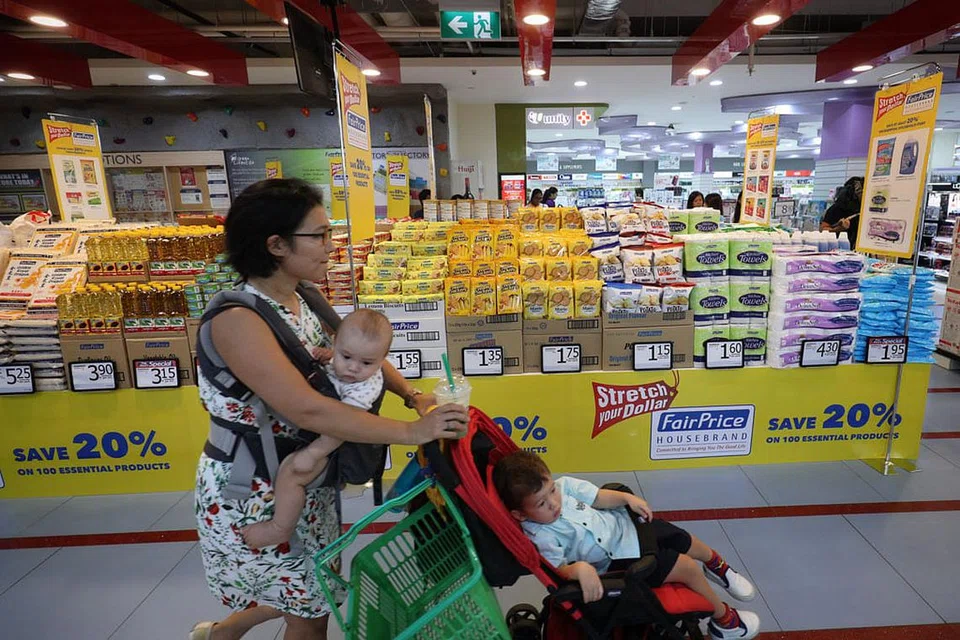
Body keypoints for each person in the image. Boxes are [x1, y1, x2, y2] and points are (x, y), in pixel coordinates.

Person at [191, 178, 468, 640]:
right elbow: (309, 411)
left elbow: (362, 355)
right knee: (310, 607)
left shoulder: (304, 296)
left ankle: (220, 635)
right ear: (276, 244)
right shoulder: (238, 321)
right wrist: (410, 431)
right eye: (318, 235)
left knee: (312, 589)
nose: (330, 245)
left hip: (309, 475)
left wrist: (413, 396)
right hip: (256, 487)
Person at [493, 451, 760, 640]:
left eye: (551, 490)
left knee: (682, 538)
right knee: (687, 566)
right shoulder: (541, 536)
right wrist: (580, 570)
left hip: (624, 527)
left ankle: (717, 565)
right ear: (519, 514)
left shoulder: (565, 487)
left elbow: (598, 497)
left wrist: (624, 498)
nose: (554, 502)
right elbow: (559, 568)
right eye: (541, 503)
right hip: (618, 564)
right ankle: (725, 621)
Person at [241, 308, 393, 550]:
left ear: (382, 359)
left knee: (293, 473)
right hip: (315, 430)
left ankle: (279, 528)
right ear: (335, 343)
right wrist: (331, 357)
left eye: (366, 363)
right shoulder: (337, 360)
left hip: (337, 446)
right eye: (346, 357)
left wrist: (314, 454)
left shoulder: (365, 388)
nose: (353, 368)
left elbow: (343, 427)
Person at [820, 177, 863, 249]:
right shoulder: (838, 208)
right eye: (860, 192)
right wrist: (838, 229)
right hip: (837, 249)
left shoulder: (865, 208)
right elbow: (823, 229)